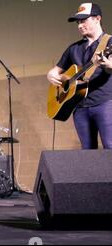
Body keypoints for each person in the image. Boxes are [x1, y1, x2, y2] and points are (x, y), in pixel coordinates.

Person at [47, 3, 112, 149]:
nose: (79, 25)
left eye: (84, 20)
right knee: (87, 151)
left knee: (110, 146)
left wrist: (108, 65)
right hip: (79, 106)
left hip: (105, 103)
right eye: (78, 22)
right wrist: (51, 75)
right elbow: (55, 71)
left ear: (97, 19)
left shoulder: (109, 42)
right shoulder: (73, 48)